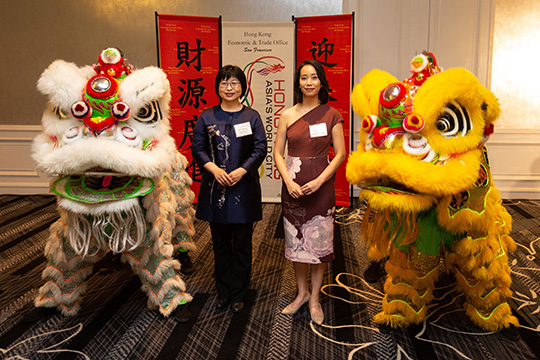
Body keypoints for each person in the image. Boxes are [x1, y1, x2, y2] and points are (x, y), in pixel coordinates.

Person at [274, 59, 346, 324]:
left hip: (321, 187)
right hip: (293, 187)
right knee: (296, 243)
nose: (308, 83)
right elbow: (278, 154)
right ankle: (301, 293)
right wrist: (288, 181)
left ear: (321, 82)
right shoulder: (287, 115)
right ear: (298, 82)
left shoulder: (331, 114)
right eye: (304, 78)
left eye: (314, 78)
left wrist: (320, 181)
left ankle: (315, 298)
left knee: (319, 243)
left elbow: (340, 154)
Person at [192, 65, 266, 313]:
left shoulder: (252, 116)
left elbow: (260, 149)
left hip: (243, 188)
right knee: (220, 243)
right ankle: (223, 292)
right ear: (218, 87)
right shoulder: (207, 116)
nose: (229, 88)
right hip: (216, 188)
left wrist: (242, 170)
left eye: (234, 83)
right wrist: (214, 169)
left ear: (242, 87)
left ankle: (239, 294)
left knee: (243, 243)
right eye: (224, 83)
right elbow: (198, 148)